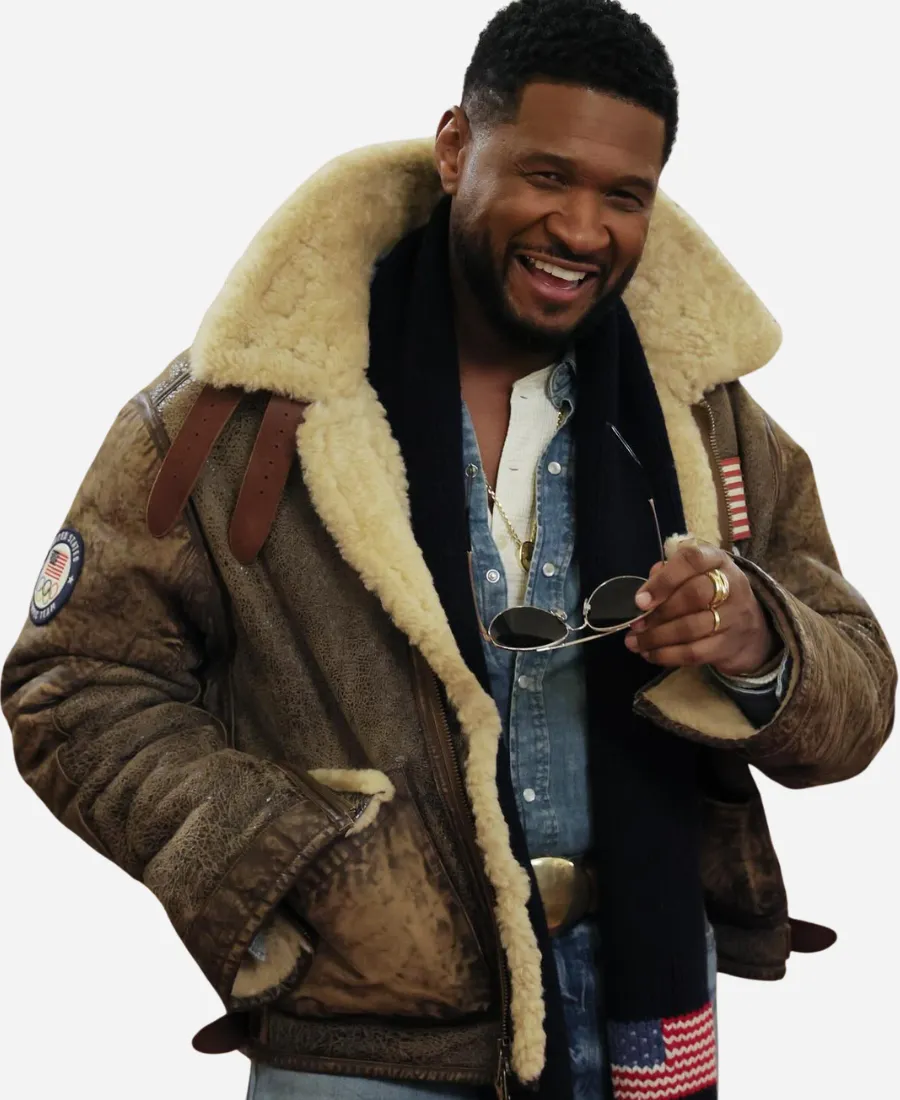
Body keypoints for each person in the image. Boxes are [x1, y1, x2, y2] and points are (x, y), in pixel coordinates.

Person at [2, 1, 895, 1098]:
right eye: (547, 175)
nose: (583, 229)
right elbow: (74, 682)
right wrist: (286, 853)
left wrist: (761, 642)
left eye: (624, 196)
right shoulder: (238, 416)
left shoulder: (700, 417)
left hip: (644, 1017)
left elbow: (859, 691)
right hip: (365, 1048)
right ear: (456, 147)